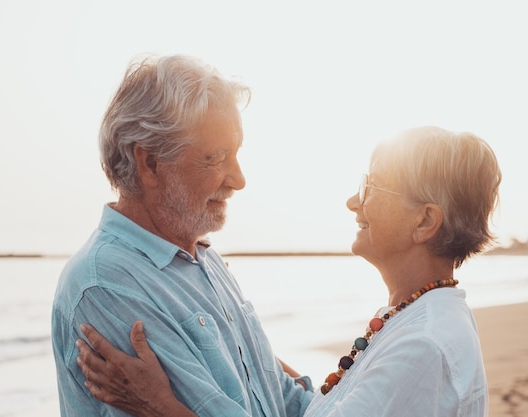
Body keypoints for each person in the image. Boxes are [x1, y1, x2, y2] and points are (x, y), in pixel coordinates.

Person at [76, 125, 502, 417]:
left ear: (425, 222)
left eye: (371, 187)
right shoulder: (415, 317)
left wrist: (160, 407)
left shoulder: (424, 348)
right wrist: (234, 337)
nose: (354, 203)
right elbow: (330, 404)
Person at [51, 54, 314, 417]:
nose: (238, 180)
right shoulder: (106, 284)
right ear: (150, 164)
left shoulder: (206, 261)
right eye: (218, 157)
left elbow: (282, 399)